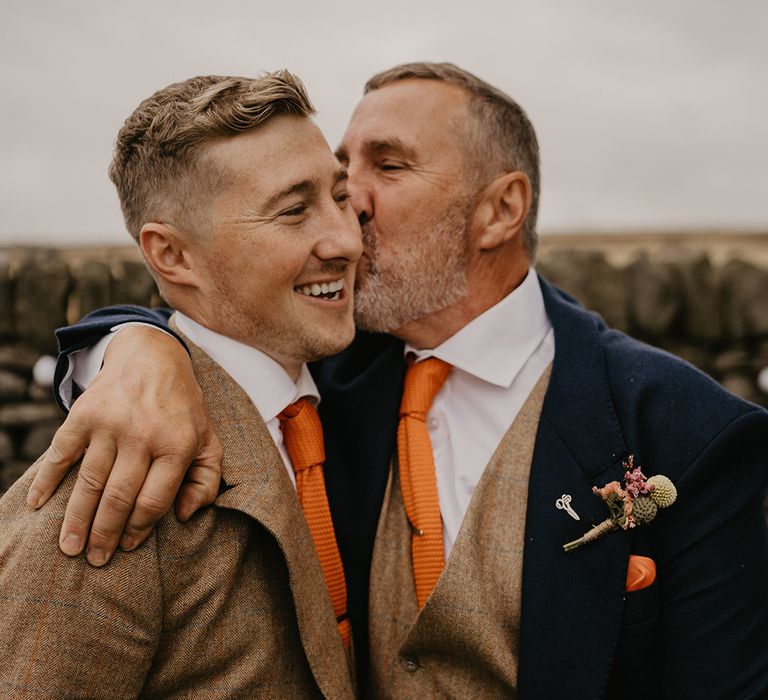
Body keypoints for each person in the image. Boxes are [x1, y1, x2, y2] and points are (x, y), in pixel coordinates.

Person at [31, 63, 768, 698]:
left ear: (501, 210)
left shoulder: (685, 427)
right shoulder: (324, 364)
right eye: (343, 170)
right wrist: (133, 348)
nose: (350, 203)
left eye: (387, 166)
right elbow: (214, 312)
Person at [0, 71, 362, 698]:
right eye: (294, 210)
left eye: (341, 196)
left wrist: (128, 340)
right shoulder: (108, 497)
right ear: (171, 256)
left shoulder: (360, 386)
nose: (347, 239)